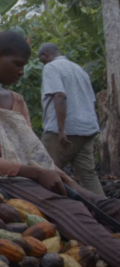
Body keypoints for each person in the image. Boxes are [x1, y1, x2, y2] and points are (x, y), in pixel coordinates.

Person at [0, 31, 120, 267]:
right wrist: (37, 174)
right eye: (18, 65)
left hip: (30, 173)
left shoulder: (16, 99)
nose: (21, 72)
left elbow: (33, 151)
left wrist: (65, 179)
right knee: (75, 210)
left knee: (102, 203)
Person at [38, 43, 104, 196]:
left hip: (63, 131)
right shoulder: (79, 69)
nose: (41, 62)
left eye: (41, 58)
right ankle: (107, 212)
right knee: (89, 176)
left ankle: (55, 215)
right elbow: (91, 100)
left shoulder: (51, 67)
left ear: (46, 54)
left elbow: (59, 96)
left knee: (45, 171)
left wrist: (61, 130)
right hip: (86, 128)